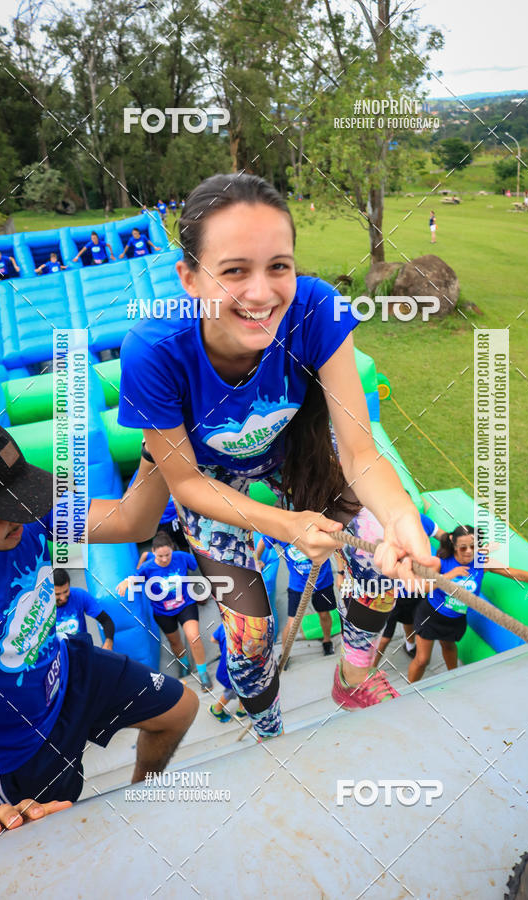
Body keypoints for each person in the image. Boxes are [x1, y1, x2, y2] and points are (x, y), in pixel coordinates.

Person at [117, 172, 435, 740]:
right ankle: (268, 729)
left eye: (278, 266)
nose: (262, 293)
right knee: (248, 635)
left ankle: (352, 677)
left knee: (375, 543)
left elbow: (359, 449)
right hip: (211, 476)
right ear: (189, 277)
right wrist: (286, 525)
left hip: (294, 446)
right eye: (235, 270)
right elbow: (184, 483)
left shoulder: (317, 309)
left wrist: (401, 516)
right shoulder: (153, 350)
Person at [0, 417, 199, 836]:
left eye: (22, 497)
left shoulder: (28, 518)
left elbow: (132, 521)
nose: (21, 514)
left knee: (181, 709)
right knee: (60, 838)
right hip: (21, 748)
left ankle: (140, 803)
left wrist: (155, 447)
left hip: (70, 669)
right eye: (4, 508)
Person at [408, 525, 528, 683]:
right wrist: (449, 576)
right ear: (453, 544)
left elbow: (516, 574)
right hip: (432, 615)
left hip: (456, 619)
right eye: (463, 548)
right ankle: (403, 695)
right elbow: (423, 587)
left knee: (449, 647)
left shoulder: (481, 562)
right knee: (422, 660)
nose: (469, 552)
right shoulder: (441, 562)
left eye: (473, 546)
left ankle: (453, 679)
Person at [117, 531, 213, 691]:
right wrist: (127, 582)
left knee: (193, 637)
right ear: (153, 552)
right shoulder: (148, 567)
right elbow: (135, 577)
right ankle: (184, 664)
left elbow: (199, 564)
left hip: (186, 605)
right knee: (175, 642)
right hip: (163, 613)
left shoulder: (181, 557)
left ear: (172, 549)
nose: (164, 559)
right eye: (160, 556)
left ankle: (203, 673)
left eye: (167, 555)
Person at [373, 512, 445, 663]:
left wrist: (461, 545)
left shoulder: (420, 520)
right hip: (390, 593)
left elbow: (444, 537)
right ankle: (370, 668)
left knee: (409, 622)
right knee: (385, 638)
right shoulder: (382, 525)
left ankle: (409, 645)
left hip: (414, 591)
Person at [256, 535, 336, 661]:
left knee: (324, 614)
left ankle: (327, 641)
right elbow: (263, 540)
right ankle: (284, 652)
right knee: (292, 622)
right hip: (298, 583)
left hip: (322, 580)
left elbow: (337, 544)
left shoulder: (315, 526)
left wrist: (341, 572)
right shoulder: (281, 530)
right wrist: (256, 560)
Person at [53, 568, 115, 650]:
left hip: (81, 650)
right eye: (57, 594)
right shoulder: (42, 609)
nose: (63, 598)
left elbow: (106, 621)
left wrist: (108, 643)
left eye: (65, 591)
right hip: (57, 653)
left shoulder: (79, 595)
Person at [209, 623, 247, 723]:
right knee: (231, 692)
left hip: (225, 669)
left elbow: (213, 639)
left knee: (244, 688)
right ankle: (216, 710)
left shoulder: (225, 624)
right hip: (233, 673)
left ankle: (242, 709)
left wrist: (224, 645)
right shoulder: (247, 633)